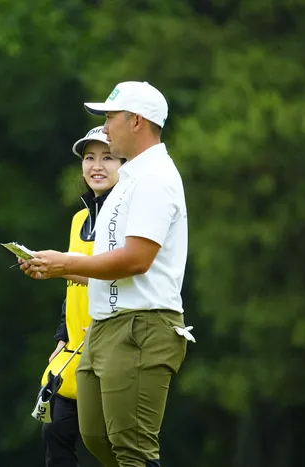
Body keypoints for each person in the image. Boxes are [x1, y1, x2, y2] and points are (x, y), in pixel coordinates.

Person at [21, 81, 194, 467]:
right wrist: (54, 269)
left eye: (110, 117)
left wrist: (65, 264)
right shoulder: (129, 181)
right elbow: (112, 267)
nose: (105, 126)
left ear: (136, 122)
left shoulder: (155, 178)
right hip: (106, 325)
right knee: (97, 436)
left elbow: (136, 261)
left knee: (132, 448)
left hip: (142, 325)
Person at [38, 126, 125, 467]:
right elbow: (73, 284)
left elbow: (123, 276)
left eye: (108, 158)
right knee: (55, 433)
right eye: (89, 158)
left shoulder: (127, 219)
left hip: (113, 347)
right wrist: (62, 334)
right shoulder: (79, 220)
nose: (96, 166)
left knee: (116, 445)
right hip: (73, 351)